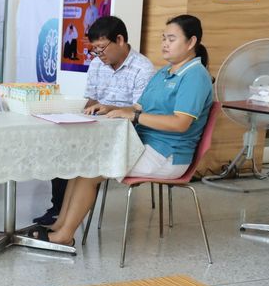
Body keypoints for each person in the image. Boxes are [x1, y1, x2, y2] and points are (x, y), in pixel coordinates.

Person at [43, 15, 213, 246]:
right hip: (145, 144)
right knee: (82, 163)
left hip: (168, 155)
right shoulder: (165, 72)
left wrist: (135, 116)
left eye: (171, 39)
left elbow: (180, 123)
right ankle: (59, 226)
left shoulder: (195, 76)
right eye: (163, 38)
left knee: (90, 169)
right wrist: (112, 108)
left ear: (191, 42)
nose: (165, 44)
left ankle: (65, 236)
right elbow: (139, 107)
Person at [32, 16, 155, 227]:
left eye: (101, 48)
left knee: (76, 156)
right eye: (94, 50)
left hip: (124, 133)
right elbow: (91, 99)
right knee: (60, 145)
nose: (98, 55)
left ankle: (64, 215)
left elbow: (139, 110)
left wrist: (110, 108)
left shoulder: (143, 68)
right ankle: (58, 209)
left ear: (120, 40)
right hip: (97, 126)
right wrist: (79, 110)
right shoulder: (97, 64)